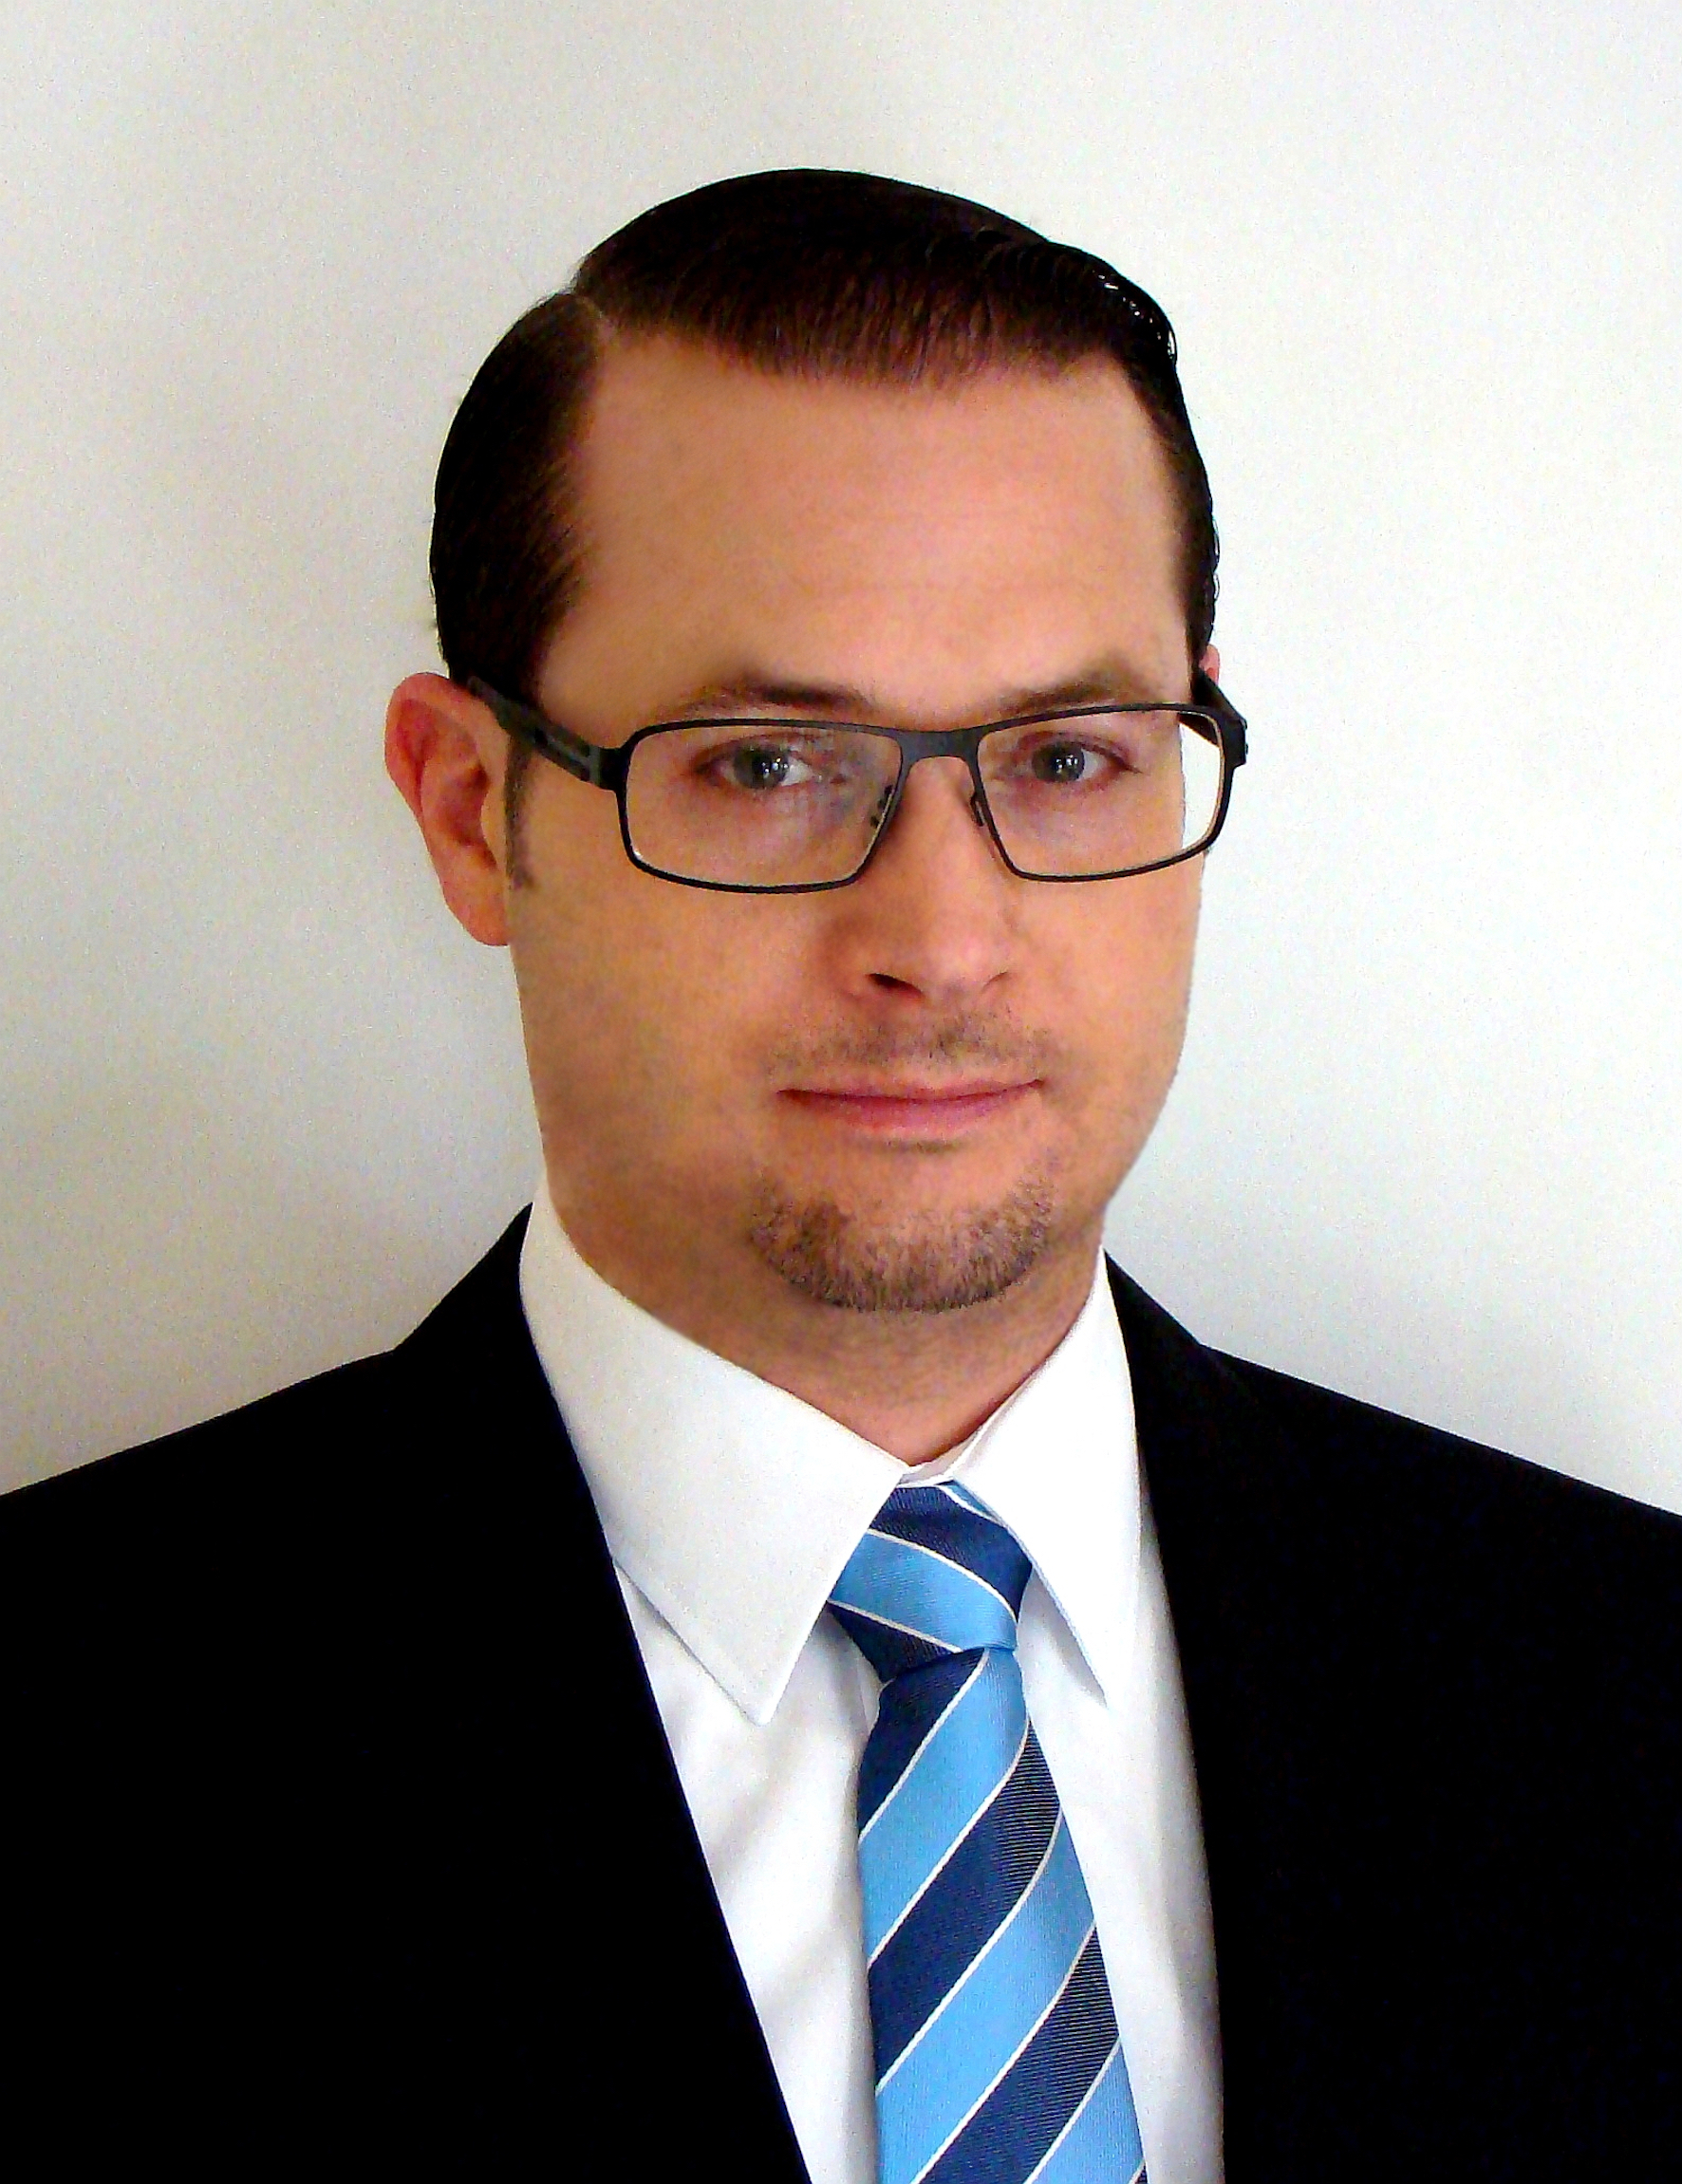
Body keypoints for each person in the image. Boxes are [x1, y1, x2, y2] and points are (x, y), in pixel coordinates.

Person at [3, 171, 1678, 2182]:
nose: (944, 941)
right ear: (468, 806)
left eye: (1069, 755)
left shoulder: (1625, 1692)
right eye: (767, 764)